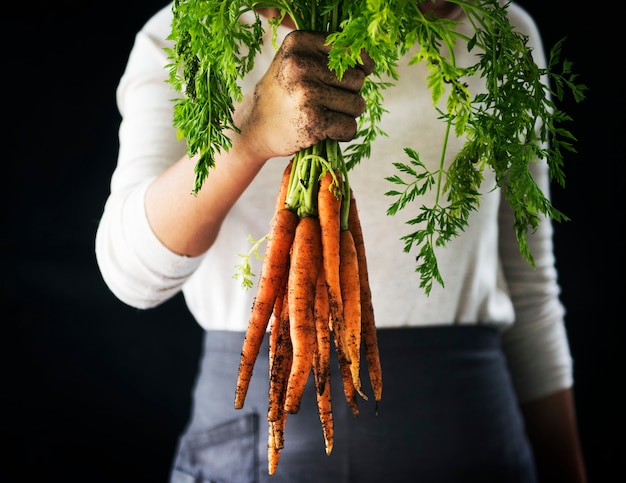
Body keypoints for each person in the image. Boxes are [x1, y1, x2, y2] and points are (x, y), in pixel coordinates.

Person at [95, 1, 587, 481]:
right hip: (255, 433)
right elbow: (131, 275)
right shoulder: (190, 29)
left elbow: (531, 293)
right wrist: (246, 137)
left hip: (467, 431)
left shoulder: (494, 30)